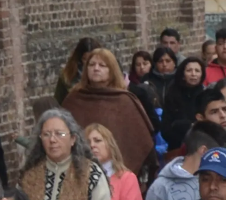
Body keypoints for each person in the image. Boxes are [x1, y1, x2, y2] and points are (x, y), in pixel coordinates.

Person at [60, 48, 158, 179]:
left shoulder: (124, 100)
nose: (96, 68)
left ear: (111, 70)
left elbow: (139, 140)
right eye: (91, 64)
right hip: (78, 173)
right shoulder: (74, 99)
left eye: (102, 65)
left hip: (117, 174)